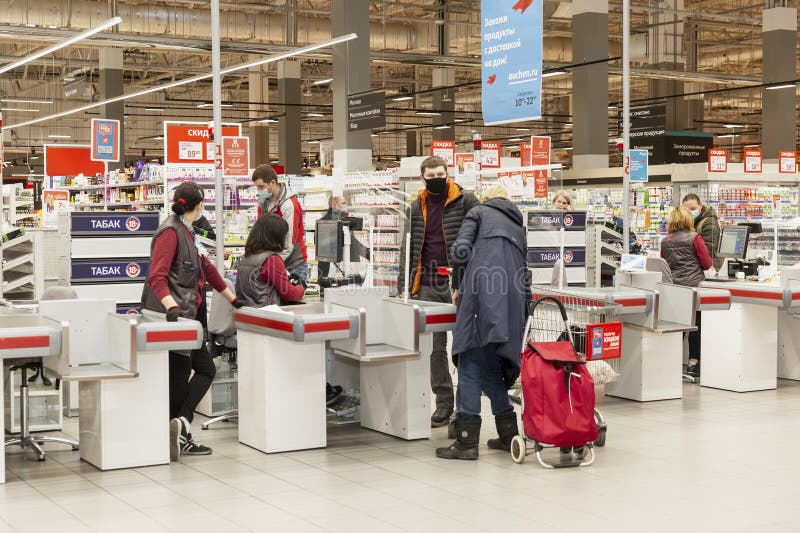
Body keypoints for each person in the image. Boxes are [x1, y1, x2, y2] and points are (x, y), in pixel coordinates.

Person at [141, 181, 243, 460]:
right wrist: (171, 308)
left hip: (187, 318)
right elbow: (157, 276)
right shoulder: (171, 233)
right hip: (174, 319)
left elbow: (207, 269)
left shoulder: (187, 230)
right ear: (198, 206)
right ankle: (177, 432)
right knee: (188, 375)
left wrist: (232, 299)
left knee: (194, 372)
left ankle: (179, 428)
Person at [436, 185, 530, 460]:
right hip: (511, 299)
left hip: (481, 294)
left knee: (469, 360)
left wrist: (457, 285)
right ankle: (508, 434)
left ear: (486, 199)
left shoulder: (477, 212)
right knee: (490, 365)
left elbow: (460, 250)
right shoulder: (517, 224)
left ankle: (466, 442)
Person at [398, 156, 480, 427]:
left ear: (448, 174)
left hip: (460, 284)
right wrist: (404, 287)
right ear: (423, 177)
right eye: (431, 175)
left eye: (440, 174)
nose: (436, 179)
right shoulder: (414, 208)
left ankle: (467, 406)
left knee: (465, 345)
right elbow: (406, 250)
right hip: (427, 284)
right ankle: (443, 403)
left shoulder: (466, 201)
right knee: (435, 349)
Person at [660, 206, 713, 376]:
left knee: (678, 326)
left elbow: (663, 264)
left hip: (674, 289)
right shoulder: (695, 238)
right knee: (696, 326)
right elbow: (706, 263)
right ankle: (693, 363)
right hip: (694, 288)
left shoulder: (665, 241)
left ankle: (672, 362)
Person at [251, 164, 310, 282]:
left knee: (292, 300)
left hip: (293, 266)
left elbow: (289, 243)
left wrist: (271, 264)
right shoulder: (264, 205)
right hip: (273, 263)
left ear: (273, 183)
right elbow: (260, 235)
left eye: (261, 187)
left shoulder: (289, 205)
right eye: (257, 187)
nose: (259, 190)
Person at [235, 214, 306, 307]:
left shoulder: (246, 257)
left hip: (248, 313)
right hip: (267, 314)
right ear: (277, 237)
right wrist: (301, 288)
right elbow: (288, 293)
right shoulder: (271, 260)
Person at [317, 195, 370, 279]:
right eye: (343, 203)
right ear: (334, 205)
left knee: (325, 290)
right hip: (336, 269)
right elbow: (351, 242)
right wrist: (367, 252)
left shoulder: (322, 220)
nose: (346, 205)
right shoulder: (338, 221)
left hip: (324, 269)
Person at [682, 193, 721, 270]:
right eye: (687, 210)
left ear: (700, 205)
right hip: (695, 268)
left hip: (709, 268)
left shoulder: (709, 222)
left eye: (693, 209)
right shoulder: (690, 222)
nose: (690, 212)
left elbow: (709, 250)